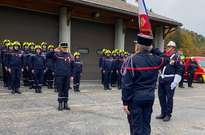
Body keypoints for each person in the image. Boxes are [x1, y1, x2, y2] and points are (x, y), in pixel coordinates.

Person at [122, 34, 169, 135]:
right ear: (149, 46)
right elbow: (166, 58)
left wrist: (125, 101)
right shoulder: (156, 60)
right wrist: (153, 49)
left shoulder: (131, 60)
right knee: (146, 124)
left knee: (136, 126)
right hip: (149, 97)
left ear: (138, 46)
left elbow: (126, 84)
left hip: (135, 99)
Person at [156, 41, 183, 122]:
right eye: (167, 46)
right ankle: (163, 113)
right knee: (161, 97)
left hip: (170, 80)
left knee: (169, 98)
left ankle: (168, 114)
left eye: (170, 47)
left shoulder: (177, 57)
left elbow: (180, 69)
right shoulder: (164, 56)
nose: (168, 48)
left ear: (174, 48)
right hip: (162, 78)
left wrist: (175, 82)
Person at [47, 43, 73, 111]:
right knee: (60, 90)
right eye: (63, 47)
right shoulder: (57, 54)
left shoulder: (69, 55)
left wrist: (72, 75)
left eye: (65, 48)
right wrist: (54, 50)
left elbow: (72, 65)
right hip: (59, 75)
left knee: (66, 90)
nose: (64, 49)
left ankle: (65, 104)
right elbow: (48, 56)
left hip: (67, 75)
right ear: (60, 48)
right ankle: (60, 104)